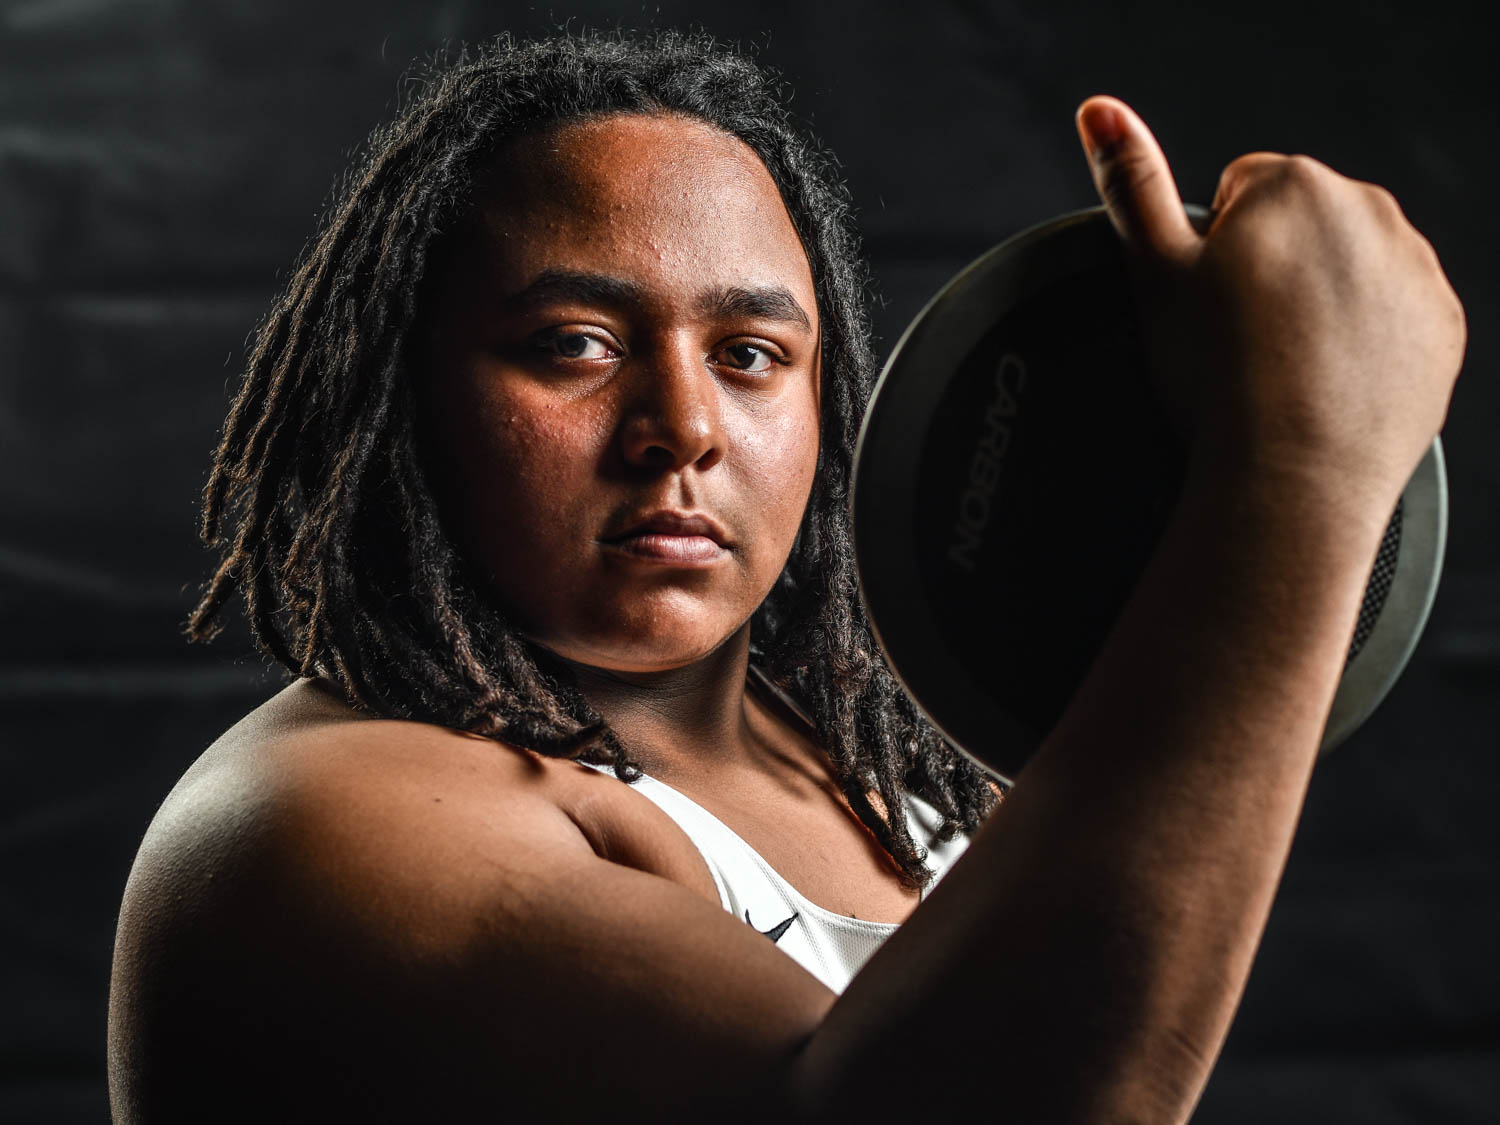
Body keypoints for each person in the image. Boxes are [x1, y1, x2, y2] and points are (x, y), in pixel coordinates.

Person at [105, 30, 1465, 1123]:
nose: (682, 425)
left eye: (751, 354)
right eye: (576, 342)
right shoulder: (324, 820)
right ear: (398, 394)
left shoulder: (897, 766)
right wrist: (1303, 461)